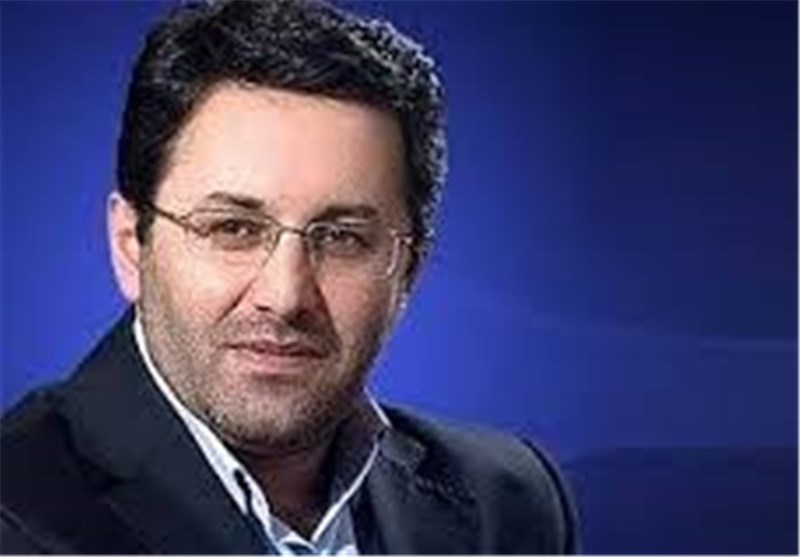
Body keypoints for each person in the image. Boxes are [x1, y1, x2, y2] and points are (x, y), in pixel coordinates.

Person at [0, 1, 577, 553]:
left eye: (342, 238)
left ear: (409, 270)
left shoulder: (510, 504)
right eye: (233, 229)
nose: (285, 295)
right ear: (131, 245)